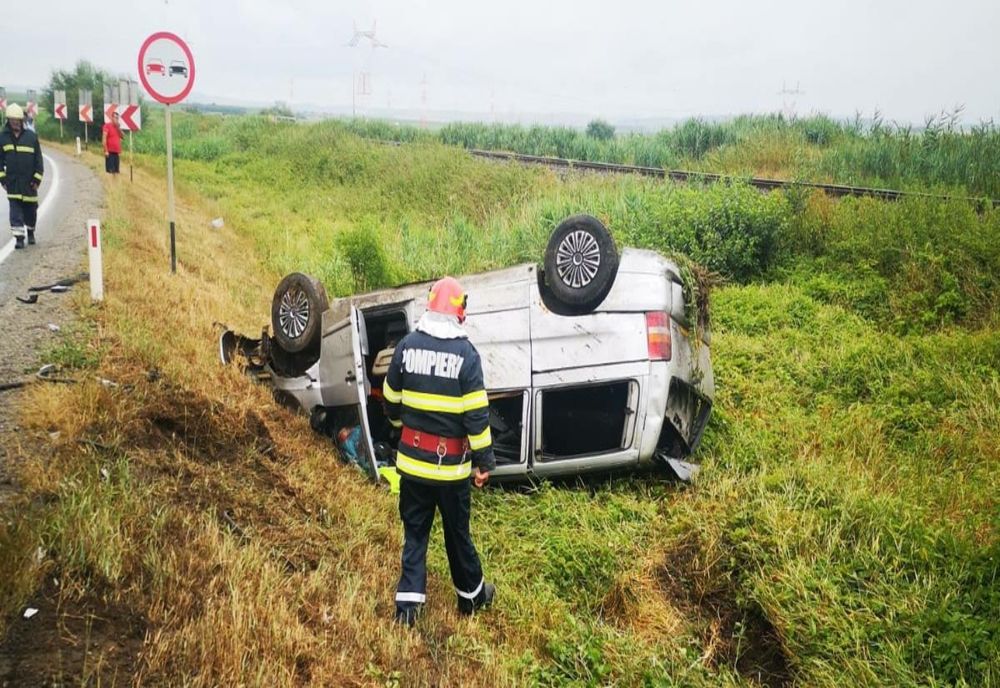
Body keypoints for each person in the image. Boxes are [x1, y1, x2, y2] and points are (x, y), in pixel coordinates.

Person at [383, 276, 497, 627]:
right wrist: (484, 462)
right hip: (450, 471)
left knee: (415, 533)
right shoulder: (467, 355)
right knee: (456, 534)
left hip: (412, 467)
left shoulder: (406, 347)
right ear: (459, 313)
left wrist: (404, 432)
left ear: (430, 306)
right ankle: (471, 597)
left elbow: (390, 401)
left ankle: (408, 608)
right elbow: (477, 417)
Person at [0, 103, 44, 249]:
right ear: (8, 120)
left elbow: (38, 160)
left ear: (21, 120)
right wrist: (3, 179)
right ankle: (19, 238)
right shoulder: (3, 138)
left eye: (17, 120)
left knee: (30, 210)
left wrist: (37, 178)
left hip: (29, 183)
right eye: (12, 120)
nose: (15, 122)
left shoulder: (31, 137)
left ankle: (30, 231)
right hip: (13, 183)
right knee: (15, 212)